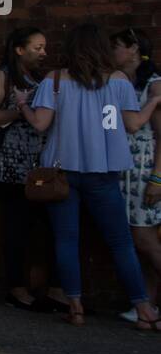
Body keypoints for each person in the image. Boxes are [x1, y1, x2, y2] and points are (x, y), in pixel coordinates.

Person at [22, 23, 161, 328]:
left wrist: (22, 105)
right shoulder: (120, 82)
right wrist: (153, 100)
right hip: (103, 174)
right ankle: (144, 310)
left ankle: (75, 308)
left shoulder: (54, 80)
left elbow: (41, 125)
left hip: (61, 174)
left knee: (67, 240)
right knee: (121, 243)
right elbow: (134, 124)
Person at [0, 27, 66, 312]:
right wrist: (22, 111)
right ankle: (17, 288)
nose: (44, 53)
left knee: (50, 227)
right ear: (19, 49)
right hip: (10, 165)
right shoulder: (3, 75)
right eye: (37, 47)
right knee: (17, 228)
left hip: (38, 166)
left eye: (44, 47)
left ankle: (50, 288)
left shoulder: (38, 78)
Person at [109, 27, 161, 321]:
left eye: (117, 45)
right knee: (138, 241)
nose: (112, 51)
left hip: (144, 171)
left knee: (145, 239)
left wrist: (158, 177)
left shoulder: (154, 86)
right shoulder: (121, 82)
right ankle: (148, 306)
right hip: (124, 170)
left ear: (133, 49)